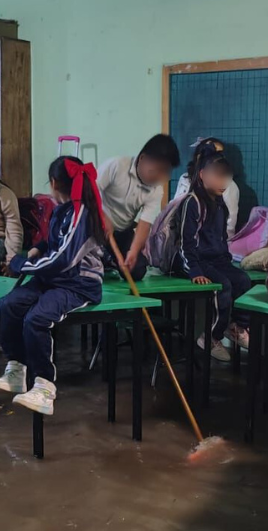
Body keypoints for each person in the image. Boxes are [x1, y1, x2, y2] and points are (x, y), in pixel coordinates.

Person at [0, 156, 107, 415]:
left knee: (37, 318)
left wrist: (21, 265)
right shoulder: (62, 210)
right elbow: (54, 242)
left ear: (54, 183)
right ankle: (16, 369)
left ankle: (44, 387)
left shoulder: (82, 213)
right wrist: (36, 248)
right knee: (8, 304)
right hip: (53, 279)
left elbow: (64, 258)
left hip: (78, 283)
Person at [170, 139, 251, 361]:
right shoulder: (192, 202)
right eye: (217, 175)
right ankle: (211, 336)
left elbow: (222, 236)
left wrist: (226, 260)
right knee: (222, 285)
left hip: (216, 260)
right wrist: (195, 271)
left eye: (225, 175)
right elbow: (187, 242)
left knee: (243, 280)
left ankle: (238, 326)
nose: (222, 181)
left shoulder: (221, 203)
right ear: (203, 175)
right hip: (196, 260)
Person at [96, 133, 180, 281]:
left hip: (121, 231)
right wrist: (102, 216)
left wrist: (133, 252)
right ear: (143, 159)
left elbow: (144, 223)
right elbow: (90, 191)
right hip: (96, 224)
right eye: (158, 169)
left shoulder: (156, 189)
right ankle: (101, 256)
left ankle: (108, 258)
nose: (160, 176)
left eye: (165, 171)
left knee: (136, 271)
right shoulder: (116, 165)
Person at [173, 137, 239, 237]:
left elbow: (230, 224)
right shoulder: (185, 179)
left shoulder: (228, 185)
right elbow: (174, 209)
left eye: (218, 154)